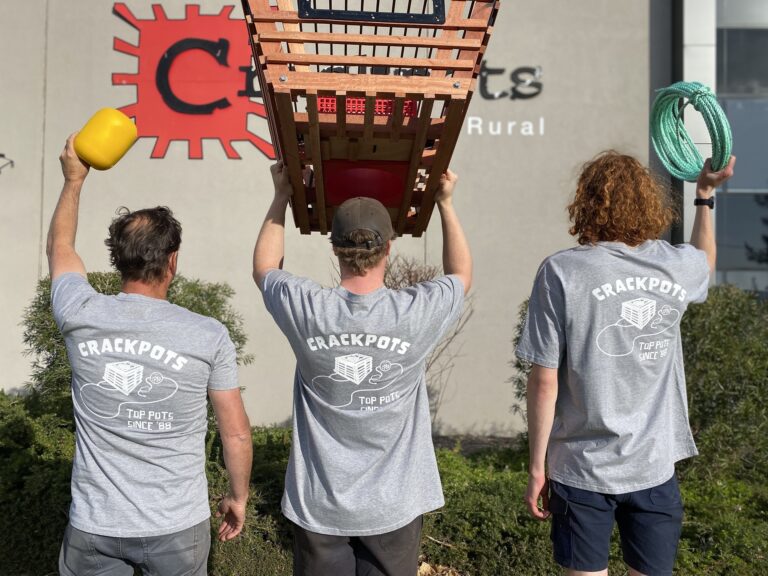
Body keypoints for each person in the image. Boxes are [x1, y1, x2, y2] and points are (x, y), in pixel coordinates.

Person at [516, 151, 735, 576]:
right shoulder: (675, 266)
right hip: (653, 467)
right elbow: (705, 262)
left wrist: (537, 468)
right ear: (649, 204)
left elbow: (544, 380)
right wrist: (705, 196)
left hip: (580, 469)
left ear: (586, 204)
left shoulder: (561, 271)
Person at [253, 161, 471, 576]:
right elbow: (461, 274)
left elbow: (265, 268)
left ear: (334, 248)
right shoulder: (415, 311)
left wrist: (281, 195)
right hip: (395, 503)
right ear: (389, 247)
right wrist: (445, 203)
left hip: (320, 505)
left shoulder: (308, 308)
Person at [50, 134, 253, 576]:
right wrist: (237, 497)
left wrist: (73, 181)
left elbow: (61, 250)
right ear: (173, 261)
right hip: (177, 527)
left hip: (95, 527)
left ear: (116, 260)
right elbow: (235, 434)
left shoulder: (80, 312)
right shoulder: (208, 335)